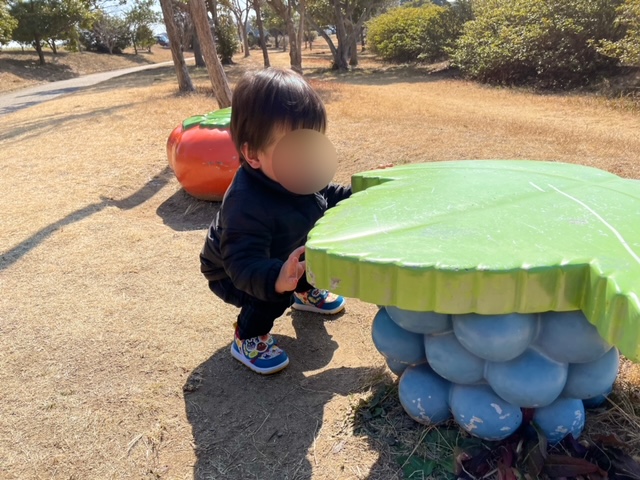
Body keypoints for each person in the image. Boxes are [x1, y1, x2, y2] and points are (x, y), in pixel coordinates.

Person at [200, 67, 351, 375]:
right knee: (271, 293)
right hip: (235, 270)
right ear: (253, 154)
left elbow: (330, 195)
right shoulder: (245, 204)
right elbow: (242, 263)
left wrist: (362, 193)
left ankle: (305, 290)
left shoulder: (300, 173)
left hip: (282, 250)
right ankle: (248, 336)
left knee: (310, 256)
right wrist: (276, 279)